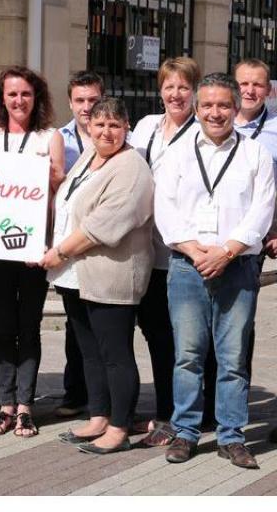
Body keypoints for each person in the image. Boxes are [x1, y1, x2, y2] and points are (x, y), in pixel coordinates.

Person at [156, 73, 274, 469]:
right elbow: (165, 210)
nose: (215, 112)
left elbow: (262, 209)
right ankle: (186, 432)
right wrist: (195, 250)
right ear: (196, 107)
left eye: (224, 105)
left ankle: (231, 436)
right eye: (207, 105)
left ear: (235, 107)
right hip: (188, 267)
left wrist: (225, 251)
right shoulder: (177, 153)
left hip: (237, 266)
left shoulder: (255, 153)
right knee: (188, 355)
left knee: (233, 356)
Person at [43, 97, 154, 454]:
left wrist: (58, 251)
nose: (106, 132)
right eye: (99, 124)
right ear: (88, 127)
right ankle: (98, 415)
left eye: (114, 125)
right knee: (89, 352)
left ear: (126, 128)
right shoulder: (89, 158)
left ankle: (120, 426)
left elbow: (103, 225)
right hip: (77, 274)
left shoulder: (132, 167)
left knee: (115, 353)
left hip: (111, 274)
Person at [0, 66, 64, 438]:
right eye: (12, 94)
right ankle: (4, 404)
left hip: (32, 247)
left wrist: (38, 172)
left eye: (25, 94)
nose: (19, 101)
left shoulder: (49, 135)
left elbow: (58, 184)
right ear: (1, 98)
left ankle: (26, 405)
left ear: (36, 96)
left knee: (28, 327)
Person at [203, 59, 277, 435]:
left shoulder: (275, 133)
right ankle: (209, 409)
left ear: (269, 90)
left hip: (261, 242)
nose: (249, 90)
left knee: (240, 332)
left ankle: (234, 411)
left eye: (257, 84)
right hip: (209, 246)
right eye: (243, 83)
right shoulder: (209, 125)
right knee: (204, 332)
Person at [129, 57, 200, 445]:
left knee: (184, 338)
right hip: (146, 250)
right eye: (169, 86)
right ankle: (165, 411)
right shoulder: (144, 128)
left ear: (195, 91)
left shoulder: (201, 133)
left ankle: (182, 415)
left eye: (183, 87)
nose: (176, 94)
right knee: (156, 333)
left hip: (183, 250)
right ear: (160, 90)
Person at [54, 71, 105, 419]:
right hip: (70, 245)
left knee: (103, 327)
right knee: (76, 326)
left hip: (103, 245)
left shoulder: (113, 135)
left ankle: (104, 399)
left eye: (92, 100)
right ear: (70, 102)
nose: (86, 107)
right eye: (80, 101)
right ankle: (76, 393)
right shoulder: (58, 139)